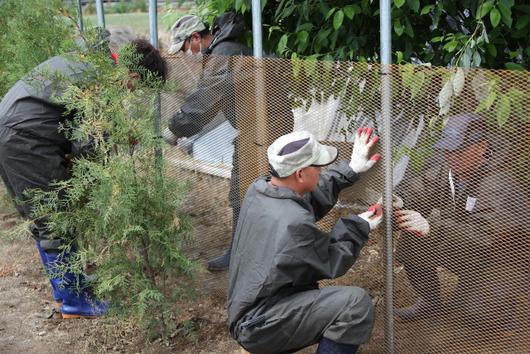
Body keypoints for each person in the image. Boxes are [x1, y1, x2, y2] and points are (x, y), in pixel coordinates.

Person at [0, 38, 167, 318]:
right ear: (134, 75)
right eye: (136, 88)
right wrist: (98, 182)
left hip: (14, 132)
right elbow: (88, 144)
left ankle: (66, 288)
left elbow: (76, 121)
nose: (131, 94)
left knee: (43, 218)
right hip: (26, 140)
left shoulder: (91, 63)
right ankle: (74, 302)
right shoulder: (102, 80)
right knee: (55, 219)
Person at [228, 129, 383, 354]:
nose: (322, 170)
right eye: (317, 167)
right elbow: (330, 260)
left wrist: (350, 170)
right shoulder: (293, 222)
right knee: (354, 306)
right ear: (300, 174)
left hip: (250, 308)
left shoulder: (259, 190)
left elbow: (304, 198)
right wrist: (360, 226)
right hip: (259, 325)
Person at [163, 13, 293, 271]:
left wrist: (175, 129)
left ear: (196, 37)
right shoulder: (227, 50)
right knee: (245, 190)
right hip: (259, 124)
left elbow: (206, 101)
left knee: (247, 191)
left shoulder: (224, 53)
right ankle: (246, 252)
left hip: (265, 126)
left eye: (187, 48)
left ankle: (248, 256)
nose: (188, 55)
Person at [393, 113, 528, 328]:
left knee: (472, 314)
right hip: (468, 249)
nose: (450, 155)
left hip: (502, 262)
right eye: (447, 149)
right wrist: (400, 199)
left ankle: (503, 310)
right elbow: (422, 188)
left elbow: (485, 237)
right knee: (413, 232)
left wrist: (431, 228)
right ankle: (430, 301)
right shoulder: (451, 171)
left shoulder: (498, 182)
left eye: (458, 150)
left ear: (482, 147)